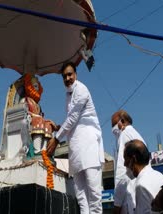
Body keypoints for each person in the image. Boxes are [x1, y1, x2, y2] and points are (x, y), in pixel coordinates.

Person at [47, 61, 105, 214]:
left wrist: (57, 138)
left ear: (76, 75)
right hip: (76, 149)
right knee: (81, 198)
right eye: (64, 76)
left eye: (69, 74)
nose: (67, 78)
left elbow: (73, 118)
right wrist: (59, 128)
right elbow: (73, 121)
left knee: (94, 197)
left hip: (89, 146)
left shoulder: (81, 90)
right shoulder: (68, 95)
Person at [111, 110, 145, 214]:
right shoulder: (136, 134)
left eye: (114, 125)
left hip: (128, 197)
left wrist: (117, 204)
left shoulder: (124, 134)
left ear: (122, 121)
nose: (113, 129)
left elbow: (122, 172)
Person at [123, 140, 163, 214]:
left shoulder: (141, 184)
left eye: (126, 159)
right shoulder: (159, 175)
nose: (124, 164)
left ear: (133, 159)